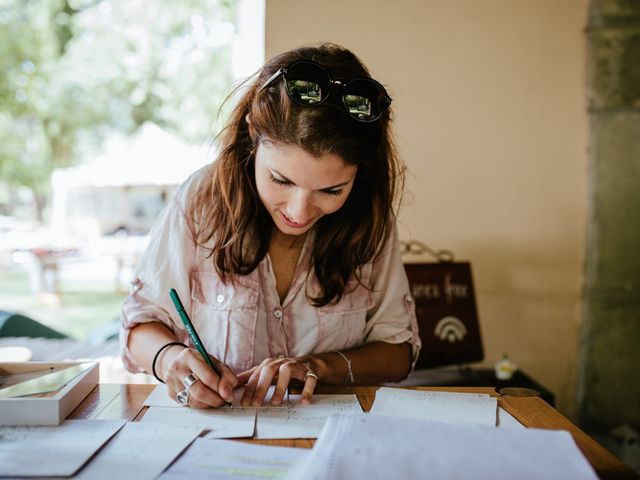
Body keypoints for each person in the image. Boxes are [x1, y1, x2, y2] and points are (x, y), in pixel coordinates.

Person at [120, 43, 421, 409]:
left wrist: (318, 367)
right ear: (251, 133)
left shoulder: (367, 216)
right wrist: (170, 359)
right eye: (281, 180)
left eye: (331, 190)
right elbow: (140, 326)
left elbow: (398, 353)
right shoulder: (202, 199)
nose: (299, 211)